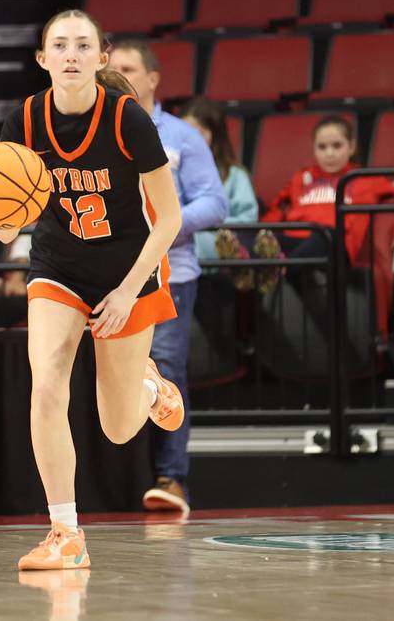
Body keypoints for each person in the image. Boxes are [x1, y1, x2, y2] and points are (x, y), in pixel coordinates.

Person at [0, 9, 185, 570]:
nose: (70, 54)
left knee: (119, 428)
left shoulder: (128, 120)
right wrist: (0, 212)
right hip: (57, 265)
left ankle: (149, 390)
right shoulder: (23, 121)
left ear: (100, 58)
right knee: (47, 380)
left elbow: (167, 219)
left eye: (82, 45)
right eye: (59, 45)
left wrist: (125, 294)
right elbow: (8, 226)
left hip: (129, 270)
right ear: (43, 59)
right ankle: (65, 534)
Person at [109, 41, 227, 514]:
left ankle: (171, 479)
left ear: (154, 78)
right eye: (111, 68)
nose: (118, 76)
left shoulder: (181, 136)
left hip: (169, 271)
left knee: (167, 373)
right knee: (110, 377)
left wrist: (161, 220)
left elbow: (214, 201)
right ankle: (111, 483)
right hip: (106, 274)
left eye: (129, 69)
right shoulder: (96, 129)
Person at [220, 115, 394, 338]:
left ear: (351, 147)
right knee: (252, 234)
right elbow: (278, 209)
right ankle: (249, 265)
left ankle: (272, 268)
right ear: (314, 149)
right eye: (322, 147)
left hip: (334, 244)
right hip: (297, 242)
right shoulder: (301, 178)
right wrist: (262, 233)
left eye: (337, 146)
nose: (330, 153)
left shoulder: (364, 179)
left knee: (321, 235)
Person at [180, 97, 259, 290]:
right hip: (179, 263)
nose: (191, 140)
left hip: (218, 266)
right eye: (186, 133)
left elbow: (248, 218)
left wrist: (205, 221)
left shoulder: (234, 174)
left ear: (215, 135)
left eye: (199, 133)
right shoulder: (169, 170)